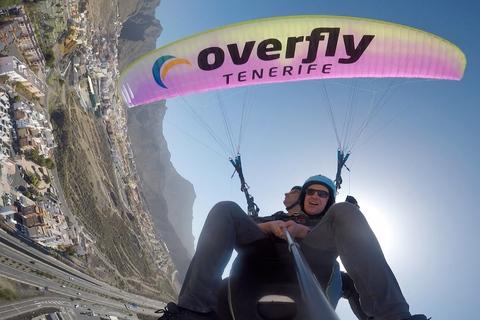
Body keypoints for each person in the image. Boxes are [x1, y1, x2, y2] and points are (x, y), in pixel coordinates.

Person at [157, 174, 429, 320]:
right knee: (225, 209)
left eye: (322, 194)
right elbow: (242, 226)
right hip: (260, 254)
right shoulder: (276, 214)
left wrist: (305, 231)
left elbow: (348, 282)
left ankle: (392, 316)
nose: (315, 196)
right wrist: (271, 226)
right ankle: (190, 312)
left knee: (347, 213)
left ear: (327, 201)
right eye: (310, 191)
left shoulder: (329, 222)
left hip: (311, 258)